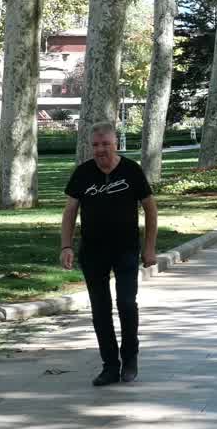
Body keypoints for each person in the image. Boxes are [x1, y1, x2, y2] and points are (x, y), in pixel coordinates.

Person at [60, 122, 157, 387]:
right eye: (95, 145)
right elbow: (70, 211)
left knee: (126, 303)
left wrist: (149, 247)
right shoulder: (83, 173)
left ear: (116, 143)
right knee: (100, 309)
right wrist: (66, 246)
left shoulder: (131, 170)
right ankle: (110, 366)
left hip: (126, 249)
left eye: (105, 144)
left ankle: (130, 358)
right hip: (93, 251)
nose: (100, 150)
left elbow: (150, 209)